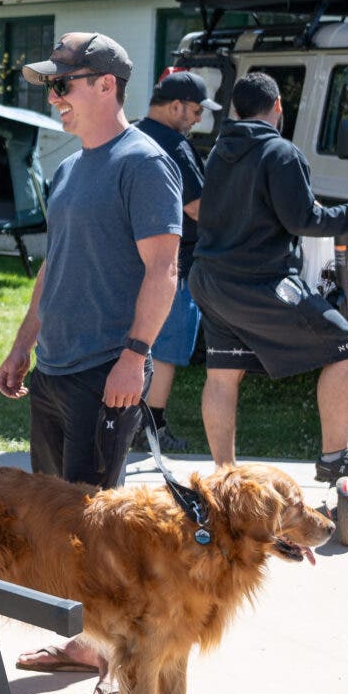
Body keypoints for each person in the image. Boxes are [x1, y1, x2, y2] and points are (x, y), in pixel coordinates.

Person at [0, 33, 183, 694]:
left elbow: (164, 267)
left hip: (108, 370)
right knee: (58, 522)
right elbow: (56, 265)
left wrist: (135, 354)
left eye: (63, 84)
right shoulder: (72, 168)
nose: (54, 97)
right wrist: (23, 346)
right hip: (55, 369)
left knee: (101, 531)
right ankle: (82, 645)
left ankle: (126, 668)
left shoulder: (143, 164)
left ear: (105, 84)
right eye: (52, 85)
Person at [188, 71, 348, 484]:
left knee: (223, 373)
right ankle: (337, 456)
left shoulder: (218, 153)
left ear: (236, 110)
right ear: (278, 105)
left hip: (209, 279)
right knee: (347, 347)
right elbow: (306, 220)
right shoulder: (281, 153)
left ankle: (225, 475)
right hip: (259, 281)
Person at [133, 70, 217, 452]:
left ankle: (123, 420)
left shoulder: (130, 134)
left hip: (130, 260)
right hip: (173, 266)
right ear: (177, 106)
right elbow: (198, 207)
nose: (199, 118)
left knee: (135, 342)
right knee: (166, 349)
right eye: (197, 110)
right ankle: (151, 427)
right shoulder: (176, 147)